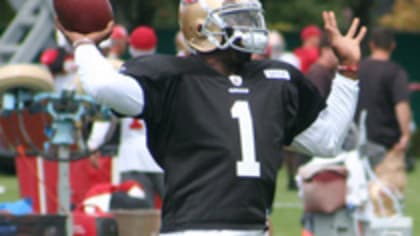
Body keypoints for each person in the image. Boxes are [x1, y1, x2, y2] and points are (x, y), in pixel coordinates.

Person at [57, 0, 366, 234]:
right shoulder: (173, 77)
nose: (249, 25)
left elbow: (327, 140)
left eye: (248, 16)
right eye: (237, 18)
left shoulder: (275, 79)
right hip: (194, 227)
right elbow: (103, 85)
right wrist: (84, 43)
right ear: (200, 26)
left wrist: (348, 72)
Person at [88, 25, 164, 209]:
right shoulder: (166, 75)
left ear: (131, 46)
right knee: (176, 211)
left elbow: (108, 114)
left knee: (135, 213)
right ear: (155, 45)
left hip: (131, 156)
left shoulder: (124, 74)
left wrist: (93, 145)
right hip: (162, 155)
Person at [356, 28, 411, 194]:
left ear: (371, 45)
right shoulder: (395, 72)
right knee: (386, 198)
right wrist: (405, 134)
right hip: (386, 144)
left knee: (360, 194)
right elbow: (401, 104)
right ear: (393, 46)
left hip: (357, 140)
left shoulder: (358, 69)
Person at [307, 34, 339, 98]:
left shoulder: (327, 71)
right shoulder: (318, 73)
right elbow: (317, 103)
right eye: (337, 52)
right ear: (325, 50)